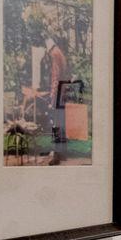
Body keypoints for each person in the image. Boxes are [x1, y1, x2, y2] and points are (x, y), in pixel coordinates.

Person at [43, 35, 69, 163]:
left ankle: (56, 156)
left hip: (58, 93)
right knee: (61, 123)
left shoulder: (54, 54)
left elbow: (55, 77)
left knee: (56, 124)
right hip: (63, 92)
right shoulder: (60, 53)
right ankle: (63, 153)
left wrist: (52, 96)